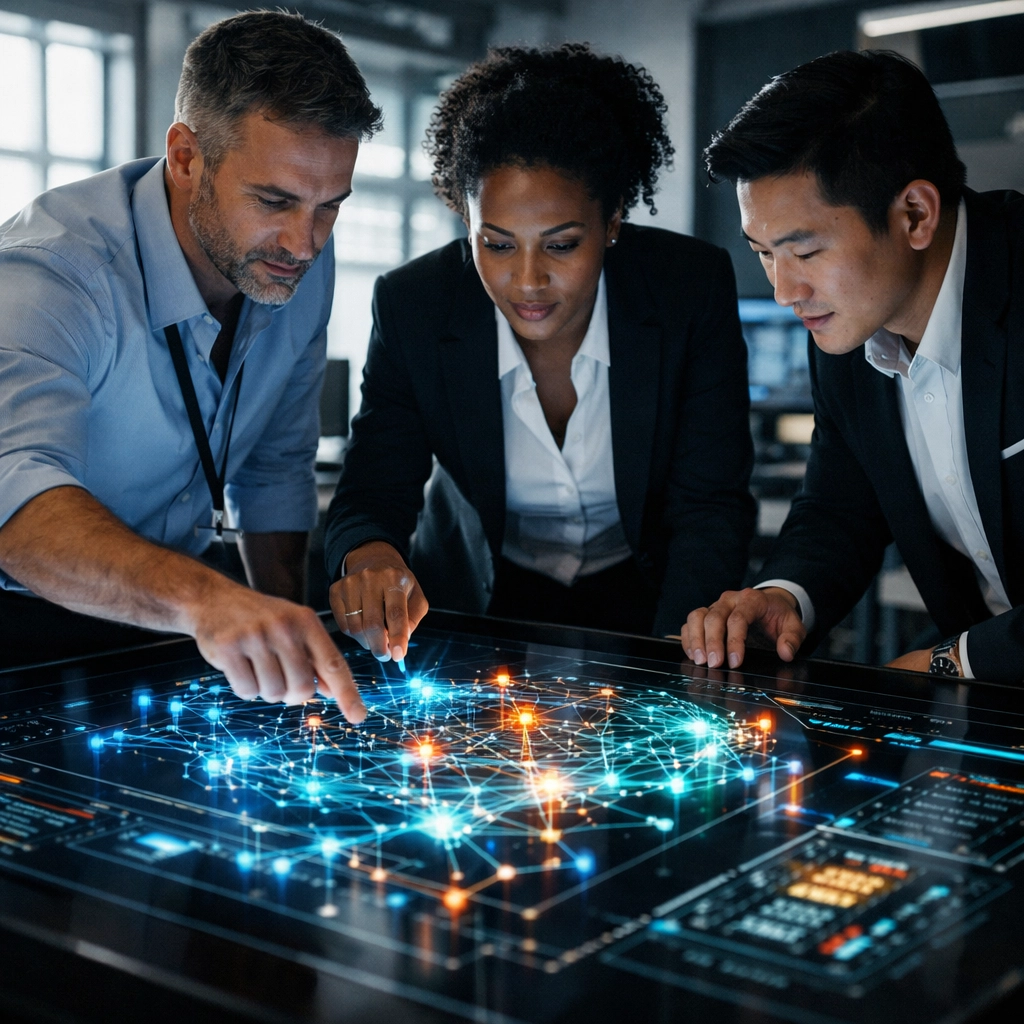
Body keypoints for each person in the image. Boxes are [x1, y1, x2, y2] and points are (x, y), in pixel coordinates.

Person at [0, 11, 379, 720]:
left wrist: (288, 639)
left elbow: (273, 466)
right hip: (22, 623)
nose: (304, 243)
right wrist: (211, 602)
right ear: (184, 156)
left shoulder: (295, 266)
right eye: (274, 200)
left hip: (172, 617)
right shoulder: (50, 273)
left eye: (330, 207)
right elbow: (17, 511)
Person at [325, 43, 756, 664]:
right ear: (463, 219)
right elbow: (374, 485)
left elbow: (709, 506)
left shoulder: (688, 288)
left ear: (611, 221)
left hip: (650, 600)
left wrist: (677, 658)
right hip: (473, 600)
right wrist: (370, 555)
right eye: (497, 245)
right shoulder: (414, 305)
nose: (526, 281)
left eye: (561, 245)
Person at [681, 50, 1024, 682]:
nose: (785, 291)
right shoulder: (849, 321)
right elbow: (841, 505)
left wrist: (957, 663)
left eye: (805, 251)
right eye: (763, 254)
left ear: (914, 214)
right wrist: (784, 598)